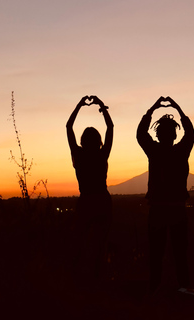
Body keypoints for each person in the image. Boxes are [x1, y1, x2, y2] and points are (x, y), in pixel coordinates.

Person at [137, 96, 194, 295]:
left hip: (157, 208)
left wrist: (154, 108)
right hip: (177, 208)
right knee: (180, 252)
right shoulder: (181, 150)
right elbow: (190, 133)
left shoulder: (154, 151)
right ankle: (183, 288)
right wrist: (177, 109)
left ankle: (154, 288)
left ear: (157, 134)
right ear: (174, 134)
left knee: (156, 252)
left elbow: (140, 133)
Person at [66, 95, 113, 283]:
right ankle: (97, 277)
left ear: (83, 141)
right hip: (102, 200)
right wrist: (102, 107)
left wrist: (79, 106)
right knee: (100, 244)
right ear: (98, 141)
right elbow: (111, 128)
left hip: (86, 201)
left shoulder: (78, 155)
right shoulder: (102, 155)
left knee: (79, 241)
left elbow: (69, 128)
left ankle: (75, 277)